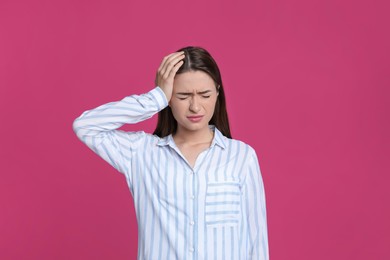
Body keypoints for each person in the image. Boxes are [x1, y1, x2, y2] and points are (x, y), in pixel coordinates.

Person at [73, 46, 269, 259]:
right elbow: (86, 126)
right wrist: (155, 98)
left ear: (218, 93)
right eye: (183, 96)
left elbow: (256, 242)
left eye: (204, 95)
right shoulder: (141, 154)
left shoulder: (241, 157)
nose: (195, 107)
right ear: (169, 99)